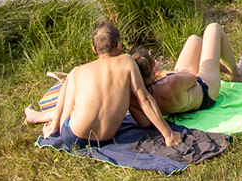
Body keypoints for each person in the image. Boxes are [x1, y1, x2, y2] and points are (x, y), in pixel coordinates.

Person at [25, 20, 180, 148]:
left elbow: (70, 108)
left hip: (73, 138)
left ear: (94, 49)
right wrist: (169, 135)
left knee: (71, 79)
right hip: (105, 138)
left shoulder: (79, 72)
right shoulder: (127, 61)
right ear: (118, 46)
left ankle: (54, 127)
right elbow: (145, 100)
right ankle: (46, 122)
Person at [131, 22, 242, 119]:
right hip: (206, 93)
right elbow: (192, 78)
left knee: (195, 40)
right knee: (213, 28)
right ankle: (237, 74)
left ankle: (222, 67)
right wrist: (162, 73)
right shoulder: (171, 82)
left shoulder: (137, 98)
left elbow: (144, 123)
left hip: (183, 98)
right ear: (153, 63)